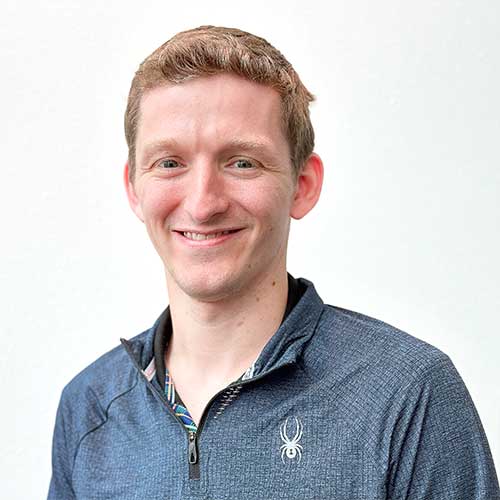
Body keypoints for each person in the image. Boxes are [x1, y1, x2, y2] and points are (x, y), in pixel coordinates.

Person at [48, 25, 500, 499]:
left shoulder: (408, 396)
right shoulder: (90, 407)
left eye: (242, 162)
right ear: (133, 188)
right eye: (169, 163)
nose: (203, 204)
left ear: (303, 184)